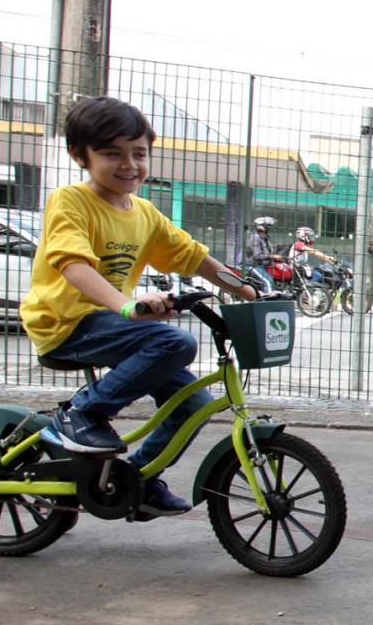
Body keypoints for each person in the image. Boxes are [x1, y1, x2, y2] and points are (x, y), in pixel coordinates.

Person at [19, 97, 257, 514]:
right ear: (80, 155)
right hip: (66, 324)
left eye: (139, 153)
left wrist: (249, 291)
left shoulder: (144, 213)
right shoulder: (70, 201)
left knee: (194, 402)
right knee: (174, 343)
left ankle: (139, 480)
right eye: (112, 154)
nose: (129, 164)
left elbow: (193, 256)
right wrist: (127, 306)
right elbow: (74, 266)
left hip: (108, 321)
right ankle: (80, 415)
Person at [243, 216, 282, 287]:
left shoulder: (265, 239)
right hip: (253, 265)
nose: (270, 229)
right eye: (269, 226)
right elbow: (257, 256)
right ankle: (268, 298)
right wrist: (272, 256)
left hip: (263, 265)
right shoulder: (256, 237)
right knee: (268, 282)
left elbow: (269, 253)